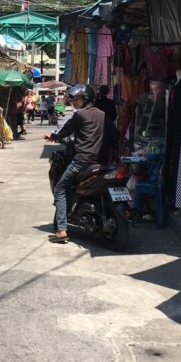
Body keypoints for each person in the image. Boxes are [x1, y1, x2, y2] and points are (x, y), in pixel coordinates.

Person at [44, 84, 105, 243]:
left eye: (76, 99)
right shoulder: (102, 115)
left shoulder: (80, 115)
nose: (73, 102)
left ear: (85, 99)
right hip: (97, 161)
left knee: (60, 188)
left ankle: (62, 230)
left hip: (81, 161)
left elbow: (65, 131)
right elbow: (112, 134)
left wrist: (53, 136)